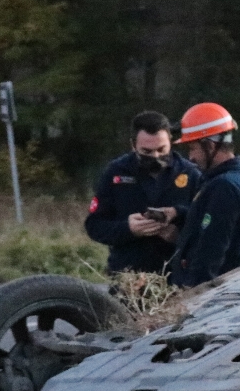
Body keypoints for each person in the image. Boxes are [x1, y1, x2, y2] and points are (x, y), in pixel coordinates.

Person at [84, 110, 202, 273]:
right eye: (147, 152)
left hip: (176, 273)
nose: (155, 156)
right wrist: (128, 229)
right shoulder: (116, 172)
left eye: (162, 150)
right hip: (129, 273)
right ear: (133, 145)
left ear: (171, 142)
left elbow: (206, 222)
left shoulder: (190, 173)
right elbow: (94, 226)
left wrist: (179, 233)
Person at [166, 102, 240, 287]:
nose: (190, 158)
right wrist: (178, 214)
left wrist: (192, 296)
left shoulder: (224, 188)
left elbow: (210, 252)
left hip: (213, 298)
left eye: (193, 149)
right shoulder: (238, 182)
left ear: (209, 145)